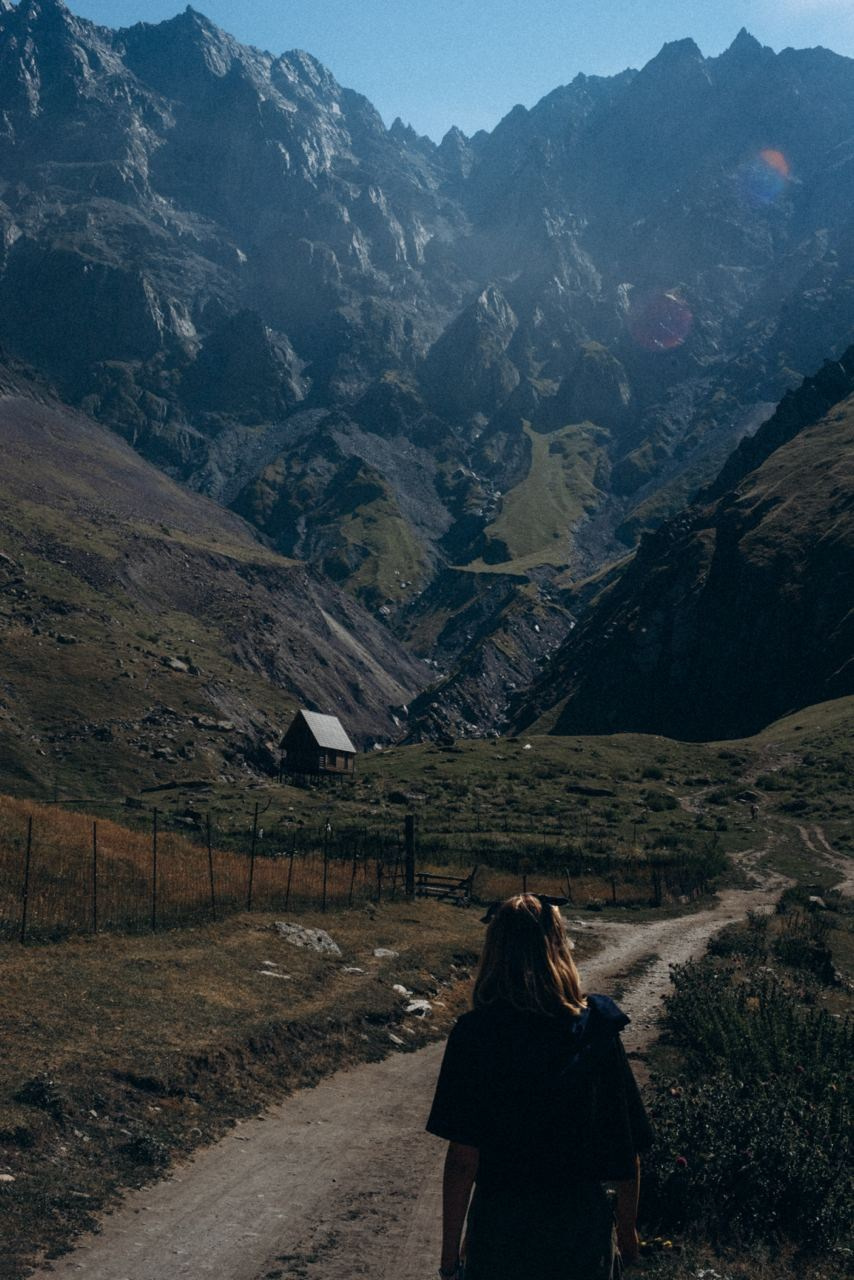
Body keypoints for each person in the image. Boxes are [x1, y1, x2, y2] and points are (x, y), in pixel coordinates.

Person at [426, 894, 653, 1280]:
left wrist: (450, 1261)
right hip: (580, 1232)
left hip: (501, 1232)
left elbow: (463, 1159)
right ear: (559, 948)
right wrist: (628, 1234)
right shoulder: (596, 1027)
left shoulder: (475, 1035)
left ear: (494, 951)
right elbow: (625, 1142)